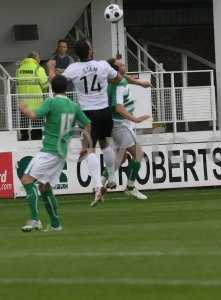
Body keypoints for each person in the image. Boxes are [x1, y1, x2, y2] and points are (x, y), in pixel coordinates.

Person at [47, 39, 123, 206]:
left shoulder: (73, 69)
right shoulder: (102, 65)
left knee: (89, 149)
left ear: (77, 54)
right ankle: (111, 177)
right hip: (104, 111)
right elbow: (118, 78)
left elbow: (57, 84)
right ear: (90, 51)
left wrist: (51, 69)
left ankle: (97, 186)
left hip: (88, 113)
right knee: (105, 143)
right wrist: (106, 80)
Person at [19, 75, 91, 232]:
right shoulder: (73, 106)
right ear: (66, 88)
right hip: (61, 152)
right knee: (45, 187)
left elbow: (34, 115)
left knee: (26, 180)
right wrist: (86, 146)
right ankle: (56, 224)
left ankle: (35, 219)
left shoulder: (51, 102)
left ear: (52, 87)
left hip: (49, 150)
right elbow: (87, 124)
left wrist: (24, 109)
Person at [99, 57, 151, 204]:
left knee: (120, 158)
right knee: (138, 153)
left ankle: (99, 184)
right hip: (120, 124)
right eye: (120, 65)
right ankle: (130, 186)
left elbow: (126, 78)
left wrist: (140, 83)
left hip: (114, 124)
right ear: (115, 70)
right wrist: (135, 119)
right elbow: (118, 107)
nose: (124, 66)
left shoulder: (115, 79)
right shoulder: (119, 84)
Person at [16, 51, 48, 140]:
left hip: (23, 100)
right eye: (39, 58)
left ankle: (24, 137)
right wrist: (44, 92)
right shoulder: (38, 68)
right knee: (37, 123)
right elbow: (45, 84)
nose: (40, 60)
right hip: (36, 100)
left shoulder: (20, 68)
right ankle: (36, 138)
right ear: (35, 58)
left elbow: (18, 82)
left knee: (24, 122)